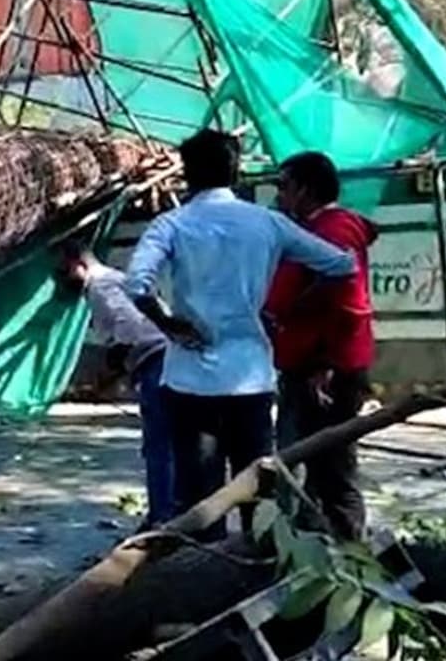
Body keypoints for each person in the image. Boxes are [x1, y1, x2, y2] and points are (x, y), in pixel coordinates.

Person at [125, 129, 358, 541]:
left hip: (189, 378)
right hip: (250, 377)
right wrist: (284, 310)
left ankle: (203, 578)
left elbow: (138, 285)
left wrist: (168, 323)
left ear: (188, 173)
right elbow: (341, 265)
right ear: (235, 172)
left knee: (199, 499)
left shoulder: (172, 224)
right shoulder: (269, 223)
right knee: (258, 494)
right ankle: (257, 574)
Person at [265, 151, 378, 540]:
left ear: (305, 190)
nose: (278, 195)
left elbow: (349, 302)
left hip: (324, 370)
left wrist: (324, 363)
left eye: (283, 186)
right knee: (313, 464)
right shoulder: (317, 227)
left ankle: (349, 552)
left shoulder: (335, 229)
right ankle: (315, 548)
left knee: (331, 466)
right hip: (309, 365)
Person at [61, 242, 175, 530]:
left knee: (159, 444)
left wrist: (110, 369)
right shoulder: (116, 279)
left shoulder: (99, 286)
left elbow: (128, 326)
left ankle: (163, 516)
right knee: (167, 442)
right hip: (163, 358)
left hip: (156, 361)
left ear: (79, 264)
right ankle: (167, 510)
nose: (60, 280)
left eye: (64, 271)